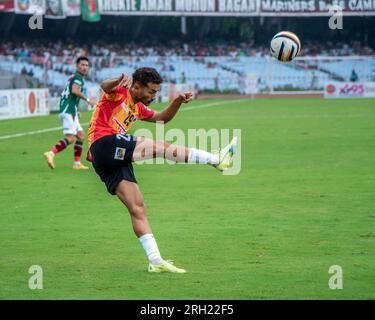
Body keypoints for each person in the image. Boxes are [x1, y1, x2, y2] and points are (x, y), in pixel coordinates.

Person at [87, 67, 237, 273]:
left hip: (108, 160)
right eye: (151, 92)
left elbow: (162, 118)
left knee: (138, 208)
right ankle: (216, 159)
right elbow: (104, 86)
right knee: (160, 147)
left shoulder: (138, 108)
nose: (153, 96)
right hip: (103, 143)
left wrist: (177, 101)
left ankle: (155, 260)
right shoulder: (120, 92)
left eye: (156, 92)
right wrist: (119, 79)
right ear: (136, 87)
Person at [44, 56, 96, 170]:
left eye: (86, 65)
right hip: (68, 111)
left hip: (70, 110)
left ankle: (77, 164)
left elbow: (70, 95)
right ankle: (51, 153)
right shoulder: (78, 78)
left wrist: (76, 111)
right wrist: (88, 100)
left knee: (81, 136)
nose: (84, 67)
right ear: (77, 66)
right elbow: (74, 91)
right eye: (82, 65)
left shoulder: (75, 77)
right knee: (71, 138)